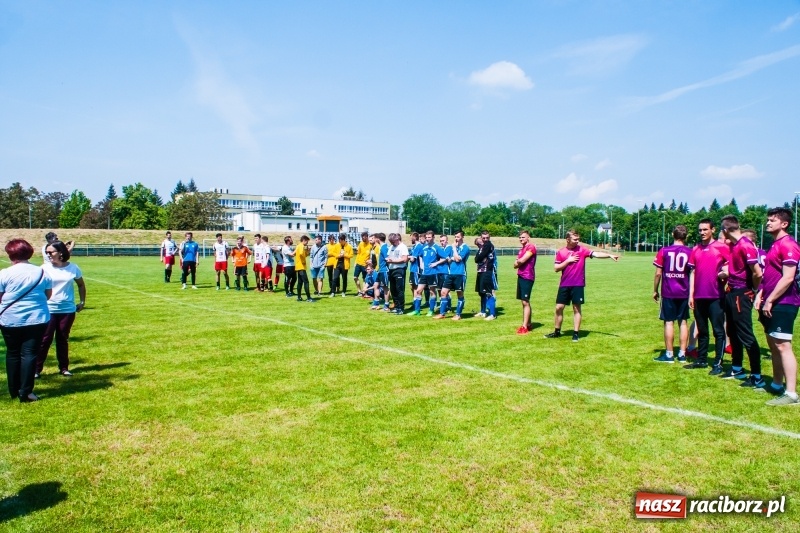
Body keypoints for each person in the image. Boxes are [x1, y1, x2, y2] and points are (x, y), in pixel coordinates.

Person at [755, 207, 800, 405]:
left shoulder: (789, 244)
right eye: (768, 220)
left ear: (784, 224)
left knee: (783, 346)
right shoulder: (775, 244)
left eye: (772, 220)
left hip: (785, 302)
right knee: (774, 345)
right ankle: (775, 384)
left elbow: (788, 277)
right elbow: (769, 275)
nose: (768, 223)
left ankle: (791, 394)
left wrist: (771, 299)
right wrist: (761, 295)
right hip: (771, 301)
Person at [0, 239, 52, 402]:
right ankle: (26, 391)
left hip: (10, 319)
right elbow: (48, 295)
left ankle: (13, 389)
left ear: (11, 254)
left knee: (13, 353)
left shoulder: (4, 273)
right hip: (36, 318)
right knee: (29, 354)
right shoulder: (42, 272)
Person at [544, 230, 619, 341]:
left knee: (576, 308)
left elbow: (596, 254)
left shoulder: (582, 250)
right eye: (575, 239)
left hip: (578, 284)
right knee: (559, 307)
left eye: (578, 239)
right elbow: (556, 268)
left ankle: (575, 334)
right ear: (568, 239)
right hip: (564, 284)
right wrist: (568, 261)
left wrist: (609, 255)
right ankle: (557, 332)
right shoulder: (561, 252)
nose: (577, 241)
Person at [719, 215, 764, 387]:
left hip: (741, 294)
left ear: (725, 230)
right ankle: (737, 368)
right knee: (732, 331)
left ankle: (756, 376)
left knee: (746, 334)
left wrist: (752, 291)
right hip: (731, 293)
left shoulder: (745, 245)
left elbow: (757, 272)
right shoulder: (736, 245)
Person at [684, 219, 729, 372]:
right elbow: (693, 272)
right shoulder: (695, 249)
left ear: (713, 230)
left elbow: (730, 267)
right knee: (702, 330)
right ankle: (701, 360)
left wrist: (725, 274)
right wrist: (691, 295)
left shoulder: (722, 247)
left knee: (718, 331)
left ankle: (717, 363)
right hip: (699, 297)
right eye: (700, 230)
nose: (702, 232)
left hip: (716, 297)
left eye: (705, 229)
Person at [36, 240, 86, 377]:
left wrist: (82, 301)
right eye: (47, 253)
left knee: (62, 339)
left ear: (61, 252)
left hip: (67, 310)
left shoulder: (73, 268)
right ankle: (36, 369)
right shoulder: (44, 268)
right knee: (45, 339)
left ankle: (64, 368)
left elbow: (81, 285)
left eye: (51, 252)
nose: (48, 255)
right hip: (49, 309)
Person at [652, 225, 692, 363]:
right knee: (683, 322)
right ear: (686, 236)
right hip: (684, 292)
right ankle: (682, 354)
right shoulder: (690, 252)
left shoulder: (664, 250)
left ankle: (669, 355)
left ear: (672, 234)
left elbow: (658, 274)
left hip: (668, 292)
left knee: (669, 322)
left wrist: (655, 290)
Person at [435, 230, 470, 321]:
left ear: (462, 237)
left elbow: (458, 259)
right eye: (455, 237)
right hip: (451, 273)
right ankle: (442, 313)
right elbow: (449, 259)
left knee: (459, 294)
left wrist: (454, 249)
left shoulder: (465, 247)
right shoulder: (453, 247)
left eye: (458, 237)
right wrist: (453, 256)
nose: (456, 238)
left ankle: (458, 314)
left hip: (460, 274)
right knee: (443, 292)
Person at [411, 231, 445, 316]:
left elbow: (445, 258)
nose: (427, 239)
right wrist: (422, 266)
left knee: (432, 291)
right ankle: (417, 311)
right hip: (424, 273)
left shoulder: (436, 247)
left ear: (433, 237)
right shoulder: (424, 247)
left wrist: (435, 263)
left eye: (429, 237)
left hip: (433, 273)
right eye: (426, 237)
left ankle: (431, 310)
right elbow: (420, 256)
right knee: (418, 291)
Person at [513, 230, 537, 334]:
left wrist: (519, 261)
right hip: (521, 276)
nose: (521, 239)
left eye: (523, 237)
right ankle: (529, 324)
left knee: (525, 301)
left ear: (528, 238)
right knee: (524, 301)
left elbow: (521, 261)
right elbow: (515, 265)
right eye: (520, 237)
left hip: (528, 276)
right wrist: (518, 262)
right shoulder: (521, 249)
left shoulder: (531, 247)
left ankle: (524, 327)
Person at [474, 231, 498, 320]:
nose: (485, 240)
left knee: (488, 292)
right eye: (483, 238)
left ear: (489, 237)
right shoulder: (482, 247)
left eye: (487, 238)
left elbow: (479, 258)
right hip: (480, 271)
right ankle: (483, 311)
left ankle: (492, 314)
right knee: (481, 293)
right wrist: (478, 258)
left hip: (487, 271)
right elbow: (476, 258)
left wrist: (478, 258)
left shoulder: (488, 245)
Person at [386, 233, 409, 314]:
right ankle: (396, 306)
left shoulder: (403, 247)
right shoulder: (391, 247)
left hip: (399, 270)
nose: (392, 243)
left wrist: (393, 261)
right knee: (393, 289)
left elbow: (405, 259)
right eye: (390, 242)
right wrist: (388, 259)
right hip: (391, 270)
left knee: (399, 289)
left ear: (397, 239)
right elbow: (389, 256)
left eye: (392, 241)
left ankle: (401, 308)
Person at [370, 233, 391, 311]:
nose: (374, 240)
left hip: (384, 270)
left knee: (385, 287)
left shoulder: (384, 248)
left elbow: (388, 259)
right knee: (376, 285)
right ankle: (376, 303)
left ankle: (386, 305)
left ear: (378, 239)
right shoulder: (381, 247)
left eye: (375, 238)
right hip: (379, 270)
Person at [295, 235, 313, 302]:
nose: (307, 243)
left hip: (299, 267)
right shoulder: (301, 246)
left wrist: (307, 252)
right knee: (306, 282)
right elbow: (301, 254)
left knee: (300, 283)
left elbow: (303, 254)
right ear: (304, 240)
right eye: (307, 242)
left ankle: (299, 297)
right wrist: (303, 261)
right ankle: (308, 298)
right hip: (301, 267)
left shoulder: (298, 246)